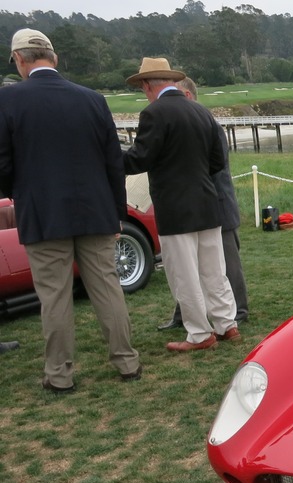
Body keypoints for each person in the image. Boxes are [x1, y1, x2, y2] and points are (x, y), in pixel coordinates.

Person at [0, 28, 142, 393]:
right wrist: (115, 213)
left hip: (43, 214)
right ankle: (127, 361)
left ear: (18, 60)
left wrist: (18, 193)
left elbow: (3, 165)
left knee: (54, 296)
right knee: (107, 288)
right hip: (95, 211)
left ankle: (60, 374)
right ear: (54, 57)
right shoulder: (92, 99)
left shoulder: (9, 100)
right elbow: (113, 161)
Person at [122, 57, 240, 352]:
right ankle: (227, 323)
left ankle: (200, 334)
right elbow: (216, 161)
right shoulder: (201, 112)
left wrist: (110, 156)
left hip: (175, 207)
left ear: (148, 84)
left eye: (142, 87)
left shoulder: (153, 113)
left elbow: (139, 159)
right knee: (214, 270)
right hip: (207, 202)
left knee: (184, 274)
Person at [157, 76, 249, 330]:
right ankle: (182, 315)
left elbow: (214, 166)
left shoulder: (208, 124)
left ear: (187, 96)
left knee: (226, 263)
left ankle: (238, 310)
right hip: (195, 203)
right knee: (185, 263)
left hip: (216, 201)